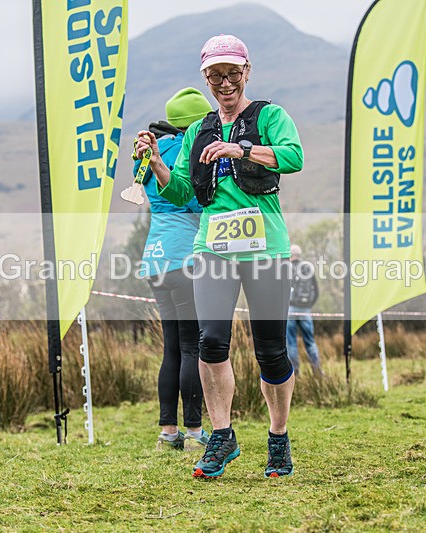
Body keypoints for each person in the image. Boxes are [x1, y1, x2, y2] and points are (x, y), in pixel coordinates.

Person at [136, 34, 304, 478]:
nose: (224, 82)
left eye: (232, 73)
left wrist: (240, 148)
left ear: (247, 72)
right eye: (216, 76)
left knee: (270, 351)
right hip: (213, 249)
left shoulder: (269, 116)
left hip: (265, 247)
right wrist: (155, 162)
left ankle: (279, 438)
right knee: (210, 342)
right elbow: (184, 191)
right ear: (206, 79)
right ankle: (221, 436)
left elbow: (293, 157)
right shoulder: (197, 131)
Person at [134, 87, 213, 451]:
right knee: (193, 347)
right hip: (185, 257)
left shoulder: (149, 151)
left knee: (171, 349)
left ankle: (168, 432)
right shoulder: (192, 151)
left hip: (155, 256)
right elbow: (198, 202)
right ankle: (195, 433)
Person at [286, 244, 323, 377]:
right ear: (300, 255)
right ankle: (317, 371)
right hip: (305, 310)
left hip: (290, 309)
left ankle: (295, 373)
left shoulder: (287, 268)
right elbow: (317, 290)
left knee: (291, 342)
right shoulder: (307, 268)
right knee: (310, 341)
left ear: (290, 255)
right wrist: (309, 305)